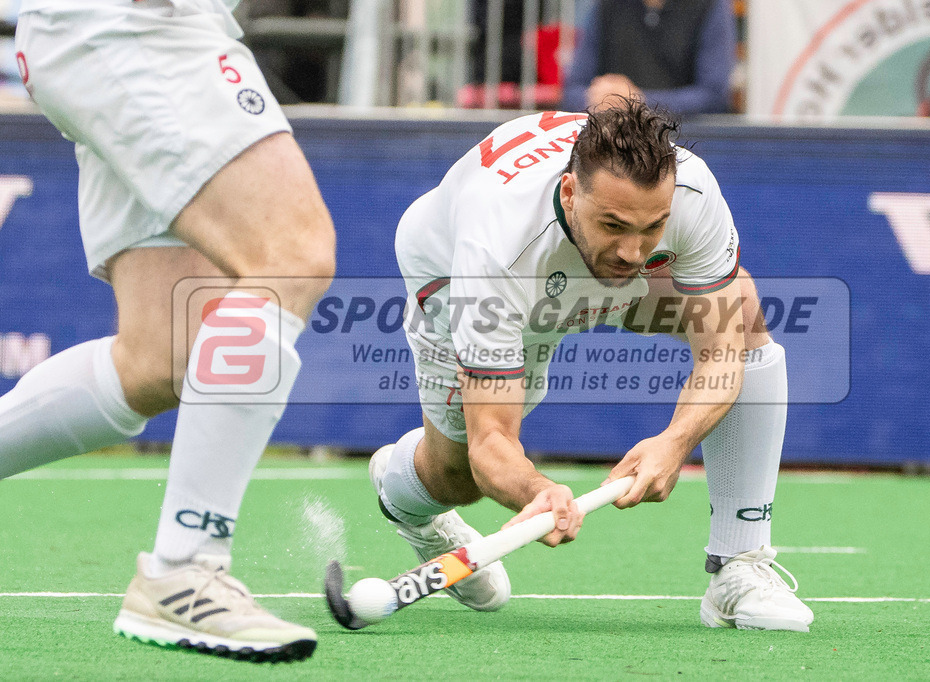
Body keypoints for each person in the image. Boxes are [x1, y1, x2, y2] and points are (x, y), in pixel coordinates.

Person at [374, 97, 813, 631]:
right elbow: (493, 439)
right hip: (462, 279)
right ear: (569, 192)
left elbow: (722, 348)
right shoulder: (495, 245)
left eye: (652, 227)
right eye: (614, 224)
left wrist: (675, 442)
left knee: (741, 310)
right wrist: (539, 492)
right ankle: (406, 502)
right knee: (460, 474)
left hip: (576, 269)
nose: (632, 251)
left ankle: (739, 566)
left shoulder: (693, 192)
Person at [3, 0, 336, 663]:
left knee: (165, 356)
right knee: (290, 253)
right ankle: (184, 570)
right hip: (135, 24)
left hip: (119, 30)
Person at [562, 0, 735, 117]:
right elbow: (573, 90)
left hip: (687, 141)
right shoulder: (607, 6)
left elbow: (714, 95)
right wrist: (598, 99)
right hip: (613, 143)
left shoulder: (710, 6)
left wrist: (637, 101)